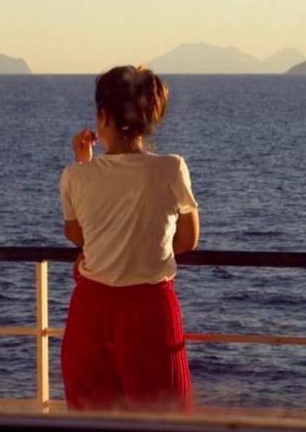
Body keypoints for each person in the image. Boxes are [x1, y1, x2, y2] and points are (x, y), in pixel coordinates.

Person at [59, 65, 200, 413]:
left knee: (94, 419)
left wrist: (84, 163)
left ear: (103, 117)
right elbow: (188, 238)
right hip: (150, 312)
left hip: (91, 313)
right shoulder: (171, 168)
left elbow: (79, 236)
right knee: (163, 419)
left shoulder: (76, 175)